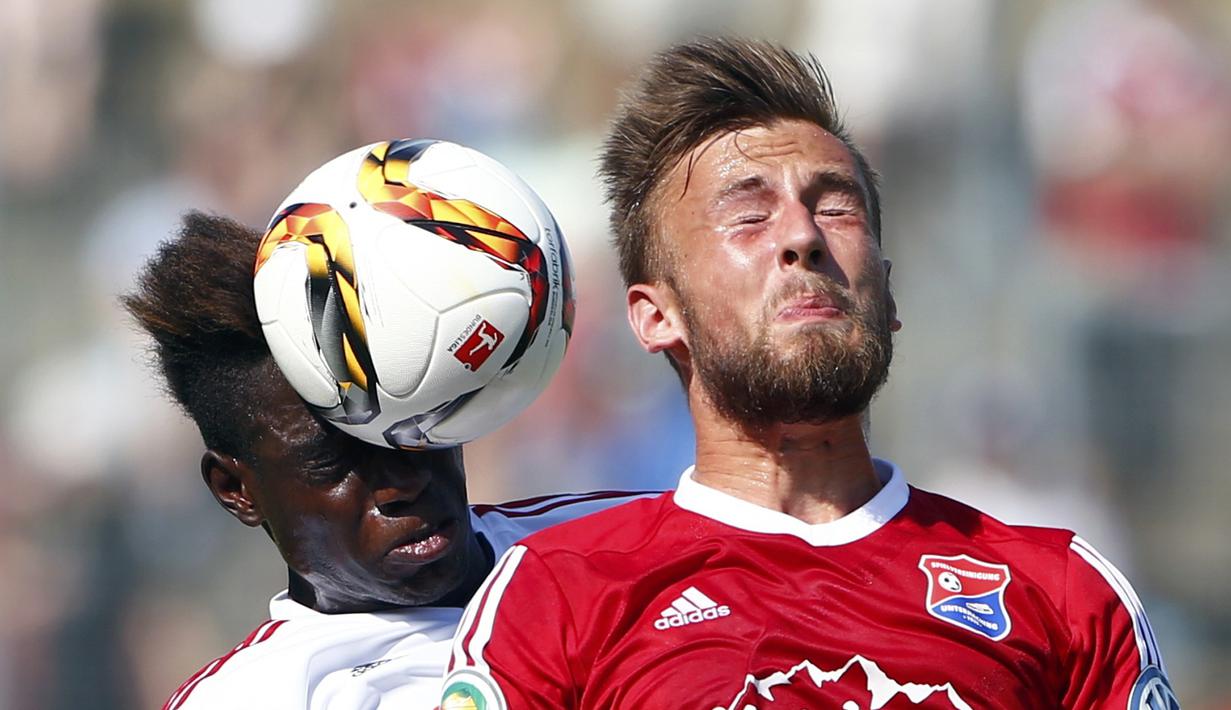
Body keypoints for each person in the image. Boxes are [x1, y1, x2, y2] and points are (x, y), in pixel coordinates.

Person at [441, 37, 1178, 709]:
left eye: (835, 208)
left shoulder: (1063, 595)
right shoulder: (557, 594)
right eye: (749, 217)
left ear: (888, 294)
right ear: (656, 316)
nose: (802, 235)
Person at [123, 212, 649, 709]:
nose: (402, 480)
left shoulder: (636, 539)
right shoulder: (253, 697)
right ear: (235, 489)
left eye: (406, 424)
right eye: (333, 460)